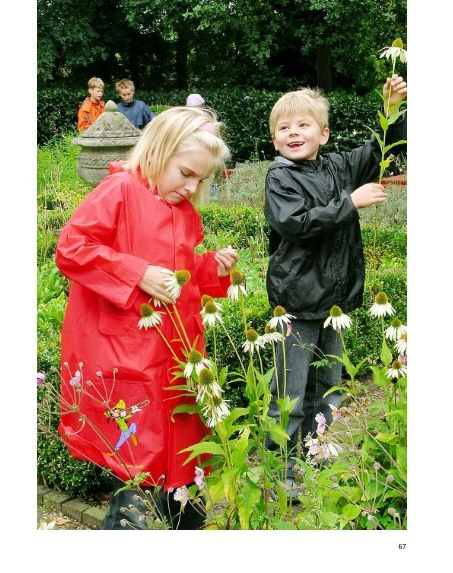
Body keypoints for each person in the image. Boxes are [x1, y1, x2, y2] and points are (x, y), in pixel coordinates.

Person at [55, 106, 239, 529]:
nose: (192, 187)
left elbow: (181, 276)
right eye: (186, 173)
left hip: (175, 355)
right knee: (139, 464)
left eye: (201, 180)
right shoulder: (119, 189)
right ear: (159, 151)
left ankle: (184, 522)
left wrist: (213, 268)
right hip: (130, 356)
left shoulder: (184, 211)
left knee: (183, 459)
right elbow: (72, 248)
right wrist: (136, 273)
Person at [264, 74, 407, 487]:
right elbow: (296, 224)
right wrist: (350, 202)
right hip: (296, 301)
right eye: (284, 128)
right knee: (290, 395)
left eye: (303, 125)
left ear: (323, 133)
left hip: (335, 303)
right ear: (274, 141)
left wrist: (391, 110)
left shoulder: (338, 165)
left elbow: (383, 147)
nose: (293, 133)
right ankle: (282, 470)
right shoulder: (280, 178)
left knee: (329, 387)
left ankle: (317, 455)